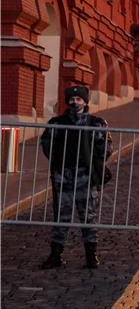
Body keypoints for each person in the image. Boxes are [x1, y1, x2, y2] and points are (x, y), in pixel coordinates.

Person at [40, 85, 112, 269]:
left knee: (88, 217)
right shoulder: (57, 123)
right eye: (72, 99)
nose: (74, 102)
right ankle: (55, 255)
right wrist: (59, 164)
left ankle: (91, 255)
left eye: (79, 99)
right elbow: (48, 146)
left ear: (85, 101)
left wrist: (93, 163)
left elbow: (106, 149)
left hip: (85, 177)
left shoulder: (96, 123)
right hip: (63, 175)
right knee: (61, 217)